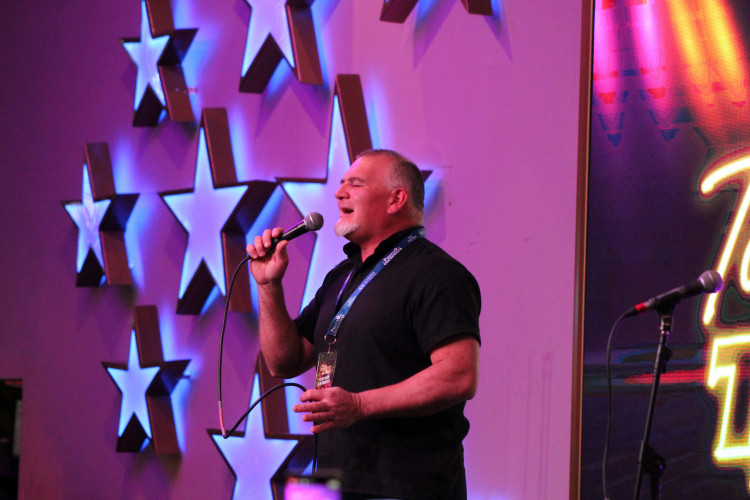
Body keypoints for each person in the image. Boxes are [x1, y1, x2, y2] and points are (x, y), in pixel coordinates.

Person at [246, 149, 481, 500]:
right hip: (331, 484)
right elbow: (284, 361)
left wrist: (358, 405)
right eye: (341, 184)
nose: (339, 193)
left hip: (407, 487)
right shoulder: (341, 276)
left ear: (396, 199)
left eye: (355, 184)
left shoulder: (437, 274)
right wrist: (268, 286)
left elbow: (458, 375)